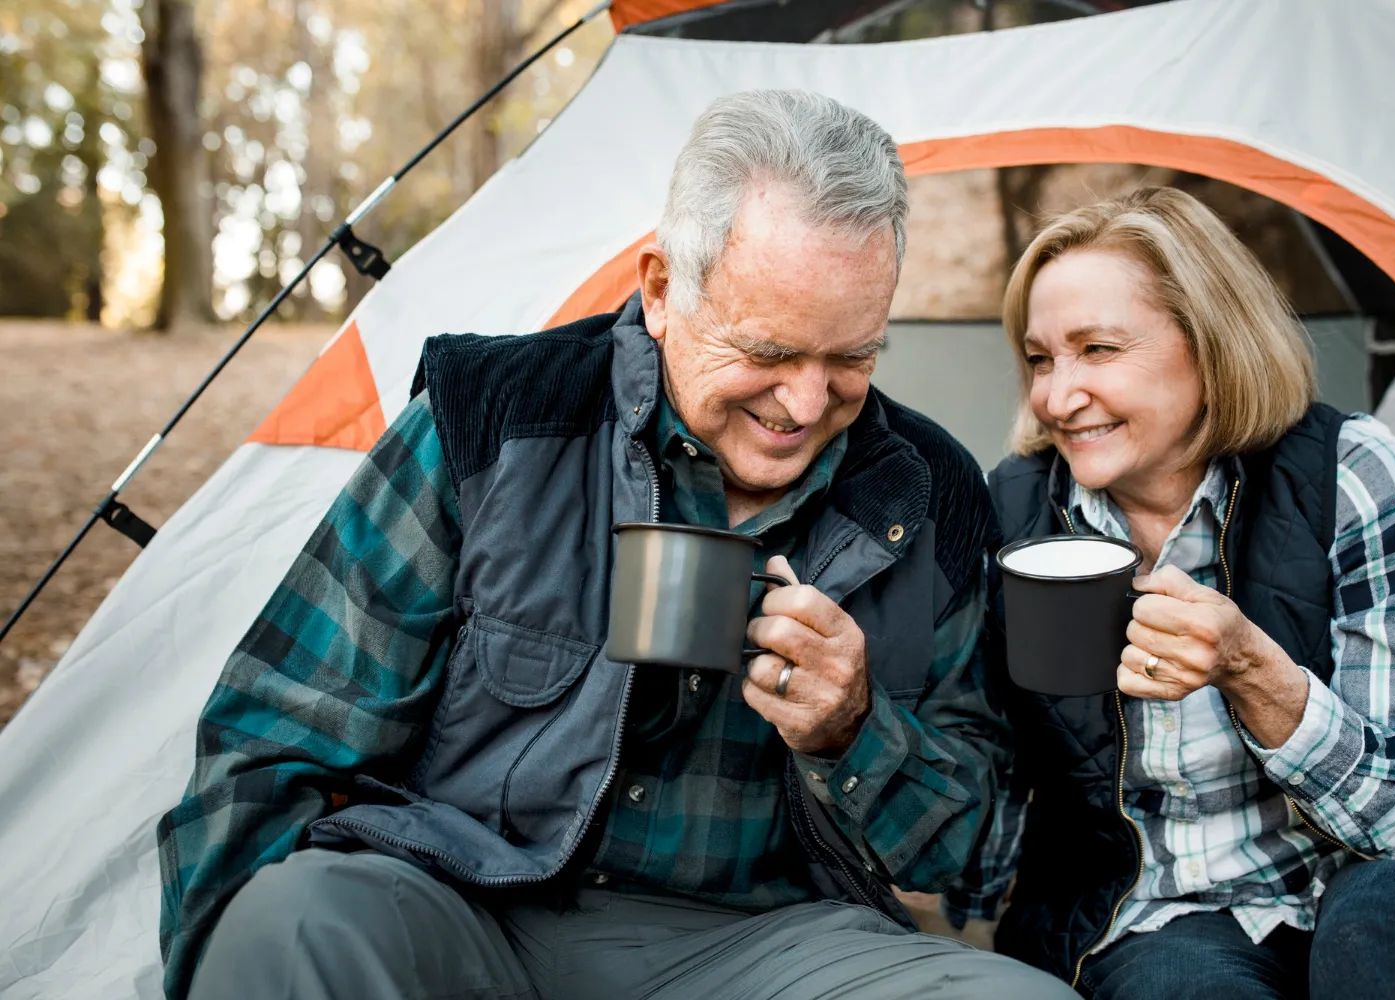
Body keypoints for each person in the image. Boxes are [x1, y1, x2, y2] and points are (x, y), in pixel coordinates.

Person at [156, 89, 1074, 1000]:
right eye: (766, 351)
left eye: (851, 359)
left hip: (768, 948)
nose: (803, 405)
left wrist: (855, 731)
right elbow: (272, 740)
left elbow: (979, 856)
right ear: (664, 290)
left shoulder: (928, 492)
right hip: (463, 897)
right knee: (297, 920)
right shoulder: (495, 424)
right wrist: (234, 955)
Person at [945, 186, 1395, 998]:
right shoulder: (1013, 516)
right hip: (1155, 905)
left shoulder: (1349, 472)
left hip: (1378, 869)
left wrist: (1254, 672)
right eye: (1040, 358)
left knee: (1373, 941)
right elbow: (982, 850)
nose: (1056, 397)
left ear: (1210, 344)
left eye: (1099, 350)